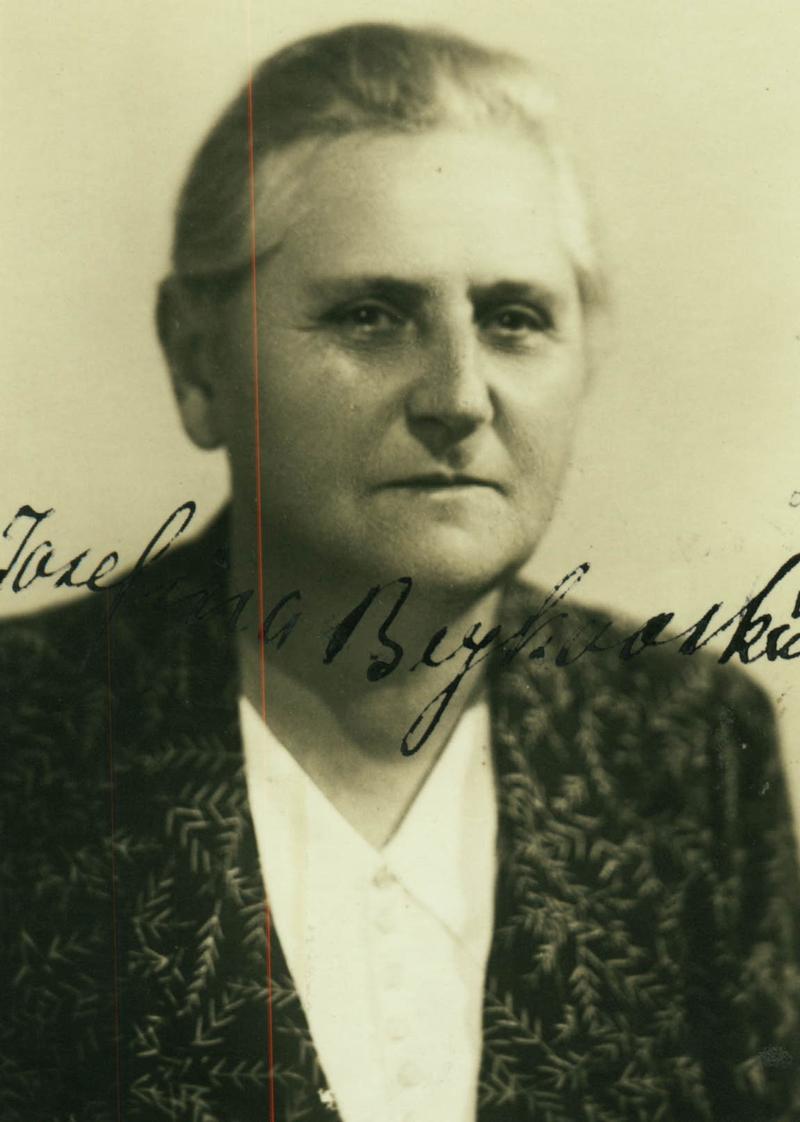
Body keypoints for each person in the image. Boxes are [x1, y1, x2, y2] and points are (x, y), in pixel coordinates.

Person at [1, 21, 798, 1122]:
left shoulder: (686, 747)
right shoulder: (26, 741)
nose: (458, 396)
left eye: (513, 319)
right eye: (371, 317)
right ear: (196, 360)